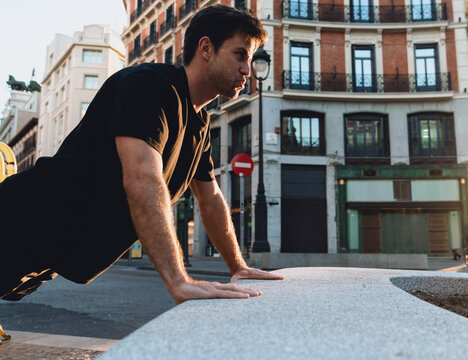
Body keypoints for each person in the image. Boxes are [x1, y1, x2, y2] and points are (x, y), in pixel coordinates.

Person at [0, 5, 283, 304]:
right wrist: (179, 281)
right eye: (240, 55)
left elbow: (211, 199)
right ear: (206, 48)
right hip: (18, 222)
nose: (247, 70)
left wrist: (238, 267)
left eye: (250, 60)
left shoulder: (199, 122)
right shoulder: (149, 86)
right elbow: (142, 180)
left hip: (43, 252)